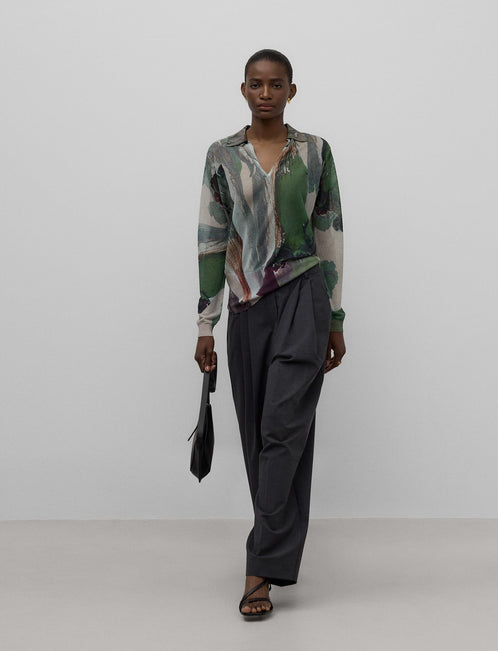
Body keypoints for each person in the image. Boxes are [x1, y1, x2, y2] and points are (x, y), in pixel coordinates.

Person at [194, 48, 346, 617]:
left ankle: (259, 567)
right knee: (261, 437)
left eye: (275, 84)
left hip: (304, 297)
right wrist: (206, 323)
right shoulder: (221, 155)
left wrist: (335, 317)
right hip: (246, 305)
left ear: (291, 91)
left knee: (283, 429)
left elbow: (329, 231)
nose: (265, 93)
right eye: (256, 84)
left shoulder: (315, 151)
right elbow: (211, 238)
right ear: (243, 89)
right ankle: (276, 550)